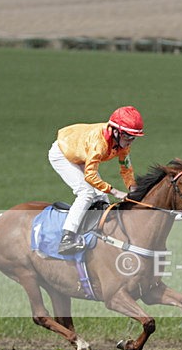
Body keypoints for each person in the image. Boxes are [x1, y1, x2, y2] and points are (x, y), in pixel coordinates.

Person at [48, 106, 144, 255]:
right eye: (127, 137)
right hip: (63, 154)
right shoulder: (99, 142)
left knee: (102, 197)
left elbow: (126, 169)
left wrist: (133, 190)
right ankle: (67, 238)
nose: (130, 141)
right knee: (86, 193)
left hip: (81, 154)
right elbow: (90, 176)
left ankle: (96, 237)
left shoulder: (123, 143)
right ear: (116, 131)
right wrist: (115, 191)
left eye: (133, 137)